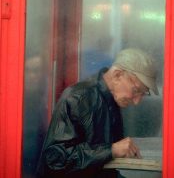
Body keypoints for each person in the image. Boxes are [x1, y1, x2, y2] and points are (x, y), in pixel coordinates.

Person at [37, 48, 158, 178]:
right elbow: (55, 160)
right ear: (117, 75)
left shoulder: (113, 99)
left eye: (142, 94)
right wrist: (112, 150)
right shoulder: (79, 98)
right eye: (135, 90)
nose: (137, 101)